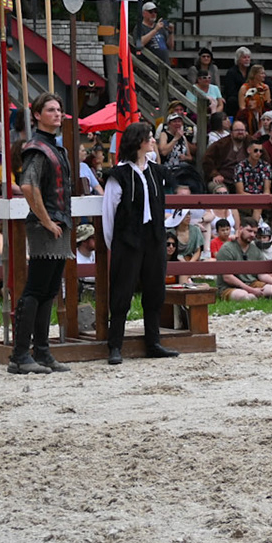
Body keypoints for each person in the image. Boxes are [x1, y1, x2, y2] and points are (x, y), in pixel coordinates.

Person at [101, 121, 180, 364]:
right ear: (138, 142)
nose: (153, 140)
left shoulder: (156, 172)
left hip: (154, 238)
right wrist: (115, 244)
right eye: (149, 138)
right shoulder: (119, 175)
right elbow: (109, 213)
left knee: (155, 289)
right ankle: (115, 345)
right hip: (127, 240)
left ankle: (153, 342)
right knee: (122, 291)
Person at [11, 94, 72, 374]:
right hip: (46, 225)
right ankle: (21, 354)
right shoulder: (36, 147)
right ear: (36, 114)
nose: (57, 114)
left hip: (57, 223)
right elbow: (27, 186)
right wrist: (46, 221)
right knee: (36, 289)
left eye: (59, 109)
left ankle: (42, 351)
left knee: (48, 290)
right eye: (50, 110)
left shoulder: (53, 147)